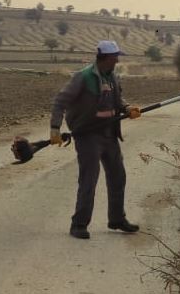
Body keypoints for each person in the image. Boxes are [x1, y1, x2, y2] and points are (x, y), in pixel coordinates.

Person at [50, 40, 142, 239]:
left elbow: (118, 102)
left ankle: (117, 219)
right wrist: (55, 128)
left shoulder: (113, 78)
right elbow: (59, 102)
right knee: (89, 179)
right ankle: (79, 224)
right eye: (115, 56)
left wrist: (127, 109)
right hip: (88, 134)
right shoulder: (82, 77)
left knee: (118, 176)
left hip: (109, 133)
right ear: (106, 58)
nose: (118, 59)